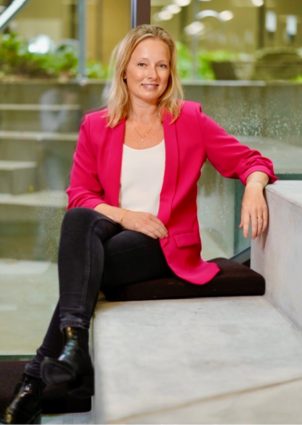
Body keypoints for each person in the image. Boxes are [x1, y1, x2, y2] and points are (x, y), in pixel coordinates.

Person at [0, 24, 277, 424]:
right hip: (113, 234)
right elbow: (79, 195)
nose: (152, 74)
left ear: (170, 73)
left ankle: (39, 376)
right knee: (81, 220)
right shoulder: (97, 126)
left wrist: (253, 185)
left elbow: (252, 160)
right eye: (142, 64)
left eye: (161, 65)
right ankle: (71, 348)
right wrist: (126, 215)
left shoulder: (191, 120)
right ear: (124, 71)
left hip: (164, 244)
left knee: (87, 266)